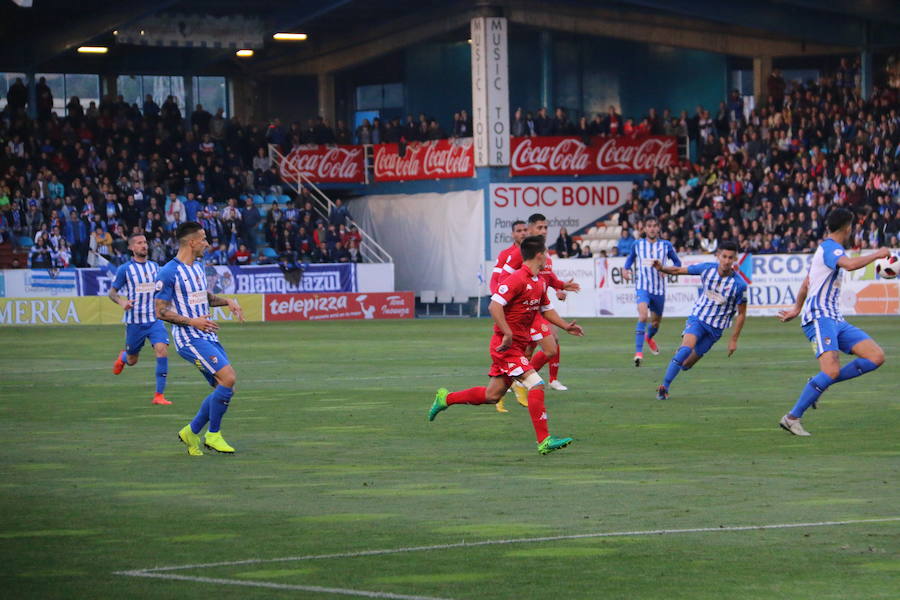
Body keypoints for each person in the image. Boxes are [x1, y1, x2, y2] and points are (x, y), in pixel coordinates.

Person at [428, 236, 583, 455]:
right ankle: (544, 440)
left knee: (492, 395)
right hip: (505, 346)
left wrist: (566, 326)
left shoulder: (539, 281)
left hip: (516, 347)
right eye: (546, 253)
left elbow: (545, 310)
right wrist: (507, 332)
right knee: (536, 384)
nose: (547, 257)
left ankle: (446, 398)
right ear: (539, 255)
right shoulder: (516, 279)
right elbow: (494, 306)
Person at [776, 208, 889, 436]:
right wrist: (877, 254)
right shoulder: (831, 248)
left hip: (835, 318)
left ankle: (818, 382)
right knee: (832, 371)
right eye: (852, 227)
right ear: (848, 227)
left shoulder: (828, 251)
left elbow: (807, 283)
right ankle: (792, 417)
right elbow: (848, 265)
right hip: (819, 317)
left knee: (876, 356)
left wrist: (796, 307)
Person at [154, 222, 244, 456]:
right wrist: (193, 321)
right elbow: (160, 311)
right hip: (189, 339)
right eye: (203, 239)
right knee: (228, 377)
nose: (207, 243)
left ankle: (191, 432)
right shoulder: (168, 272)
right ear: (192, 242)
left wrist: (228, 302)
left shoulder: (197, 267)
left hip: (207, 335)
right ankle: (213, 435)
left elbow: (203, 297)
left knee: (224, 388)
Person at [650, 241, 747, 400]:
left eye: (730, 257)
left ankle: (679, 358)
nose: (727, 260)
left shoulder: (740, 285)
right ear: (718, 256)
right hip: (698, 318)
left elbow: (742, 314)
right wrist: (661, 268)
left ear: (735, 259)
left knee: (686, 364)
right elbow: (678, 270)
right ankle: (664, 387)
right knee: (686, 349)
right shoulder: (707, 269)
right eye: (724, 256)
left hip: (715, 330)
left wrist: (733, 340)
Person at [109, 233, 172, 406]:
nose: (144, 245)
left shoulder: (156, 268)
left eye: (145, 242)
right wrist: (122, 302)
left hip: (154, 320)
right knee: (132, 360)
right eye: (139, 243)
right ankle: (123, 357)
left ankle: (159, 395)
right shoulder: (125, 269)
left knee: (162, 350)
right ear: (131, 248)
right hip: (135, 322)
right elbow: (112, 293)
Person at [623, 217, 681, 367]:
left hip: (659, 290)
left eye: (655, 226)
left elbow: (678, 264)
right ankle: (638, 354)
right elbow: (629, 260)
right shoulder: (637, 244)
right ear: (644, 229)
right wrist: (625, 269)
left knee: (655, 323)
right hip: (643, 287)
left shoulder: (666, 245)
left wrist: (666, 271)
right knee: (642, 316)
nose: (652, 228)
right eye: (649, 226)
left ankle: (649, 337)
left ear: (659, 229)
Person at [488, 219, 529, 412]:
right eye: (519, 231)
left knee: (524, 346)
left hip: (527, 309)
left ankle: (513, 385)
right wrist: (501, 300)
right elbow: (495, 280)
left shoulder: (532, 254)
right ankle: (515, 387)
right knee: (509, 348)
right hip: (510, 309)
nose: (522, 233)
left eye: (524, 230)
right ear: (513, 234)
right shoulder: (507, 255)